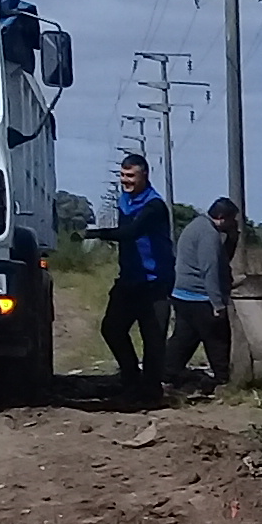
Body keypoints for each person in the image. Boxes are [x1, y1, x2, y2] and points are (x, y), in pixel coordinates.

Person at [93, 151, 175, 403]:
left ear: (144, 175)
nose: (125, 180)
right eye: (122, 175)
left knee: (153, 338)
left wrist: (93, 233)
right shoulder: (124, 200)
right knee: (112, 329)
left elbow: (132, 232)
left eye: (130, 176)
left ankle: (151, 391)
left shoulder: (155, 205)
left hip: (155, 283)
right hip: (129, 279)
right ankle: (130, 379)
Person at [168, 195, 240, 392]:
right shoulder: (209, 235)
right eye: (232, 219)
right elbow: (210, 269)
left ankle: (166, 372)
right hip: (200, 296)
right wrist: (217, 304)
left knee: (185, 338)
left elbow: (221, 260)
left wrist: (232, 240)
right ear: (222, 217)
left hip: (182, 294)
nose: (234, 223)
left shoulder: (197, 225)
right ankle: (222, 380)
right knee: (218, 338)